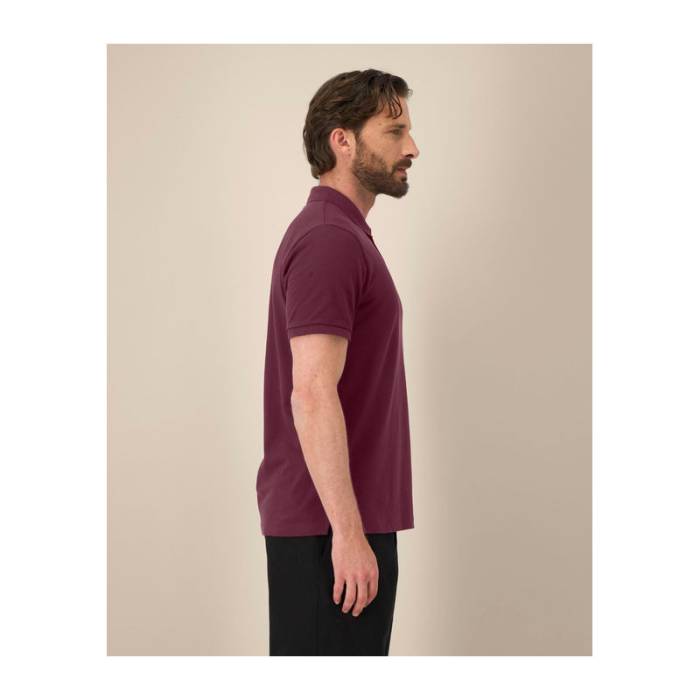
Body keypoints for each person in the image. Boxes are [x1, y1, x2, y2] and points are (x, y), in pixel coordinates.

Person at [255, 69, 420, 655]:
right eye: (394, 131)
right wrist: (348, 535)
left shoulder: (344, 234)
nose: (412, 147)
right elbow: (312, 392)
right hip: (330, 529)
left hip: (341, 520)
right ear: (342, 140)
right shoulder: (330, 240)